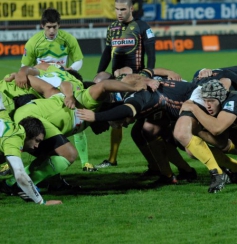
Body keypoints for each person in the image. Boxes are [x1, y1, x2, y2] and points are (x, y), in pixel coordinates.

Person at [76, 78, 237, 191]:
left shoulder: (135, 99)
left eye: (119, 122)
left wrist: (96, 117)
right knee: (150, 132)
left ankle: (219, 173)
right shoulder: (133, 94)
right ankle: (169, 176)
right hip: (175, 108)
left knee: (183, 135)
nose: (123, 125)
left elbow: (126, 108)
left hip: (191, 98)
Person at [3, 72, 157, 191]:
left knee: (50, 153)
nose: (122, 126)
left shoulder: (85, 121)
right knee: (69, 154)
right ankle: (20, 185)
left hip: (31, 115)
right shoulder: (89, 102)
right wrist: (133, 88)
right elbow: (104, 85)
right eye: (121, 121)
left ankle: (17, 182)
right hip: (32, 116)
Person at [20, 8, 92, 172]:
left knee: (77, 116)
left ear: (59, 25)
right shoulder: (33, 42)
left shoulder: (68, 39)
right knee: (44, 125)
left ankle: (85, 162)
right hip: (44, 88)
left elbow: (79, 60)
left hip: (64, 82)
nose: (51, 31)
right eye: (48, 27)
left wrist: (69, 70)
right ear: (42, 26)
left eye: (54, 27)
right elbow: (24, 67)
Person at [95, 0, 156, 169]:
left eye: (123, 9)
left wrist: (146, 74)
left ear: (131, 8)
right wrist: (99, 72)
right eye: (116, 9)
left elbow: (151, 55)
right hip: (117, 83)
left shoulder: (143, 27)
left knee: (145, 123)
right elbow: (107, 52)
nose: (119, 13)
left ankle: (156, 163)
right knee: (116, 118)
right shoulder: (112, 28)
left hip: (136, 81)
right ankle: (112, 159)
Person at [0, 93, 62, 205]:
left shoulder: (4, 117)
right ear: (28, 135)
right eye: (37, 141)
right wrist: (41, 202)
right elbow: (19, 174)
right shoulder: (13, 138)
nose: (37, 146)